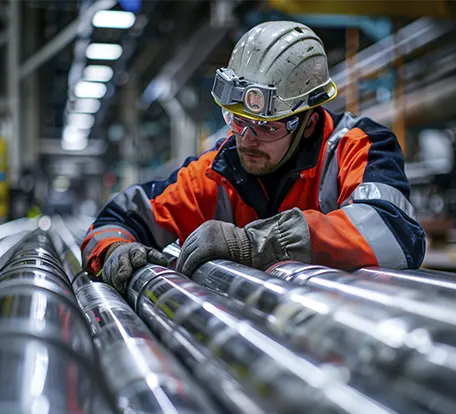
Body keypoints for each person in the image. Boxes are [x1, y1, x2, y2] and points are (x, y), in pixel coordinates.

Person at [81, 20, 426, 294]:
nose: (246, 139)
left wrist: (258, 244)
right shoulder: (218, 172)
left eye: (266, 126)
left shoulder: (357, 146)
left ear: (307, 122)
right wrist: (113, 252)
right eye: (237, 120)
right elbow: (114, 222)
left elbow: (396, 235)